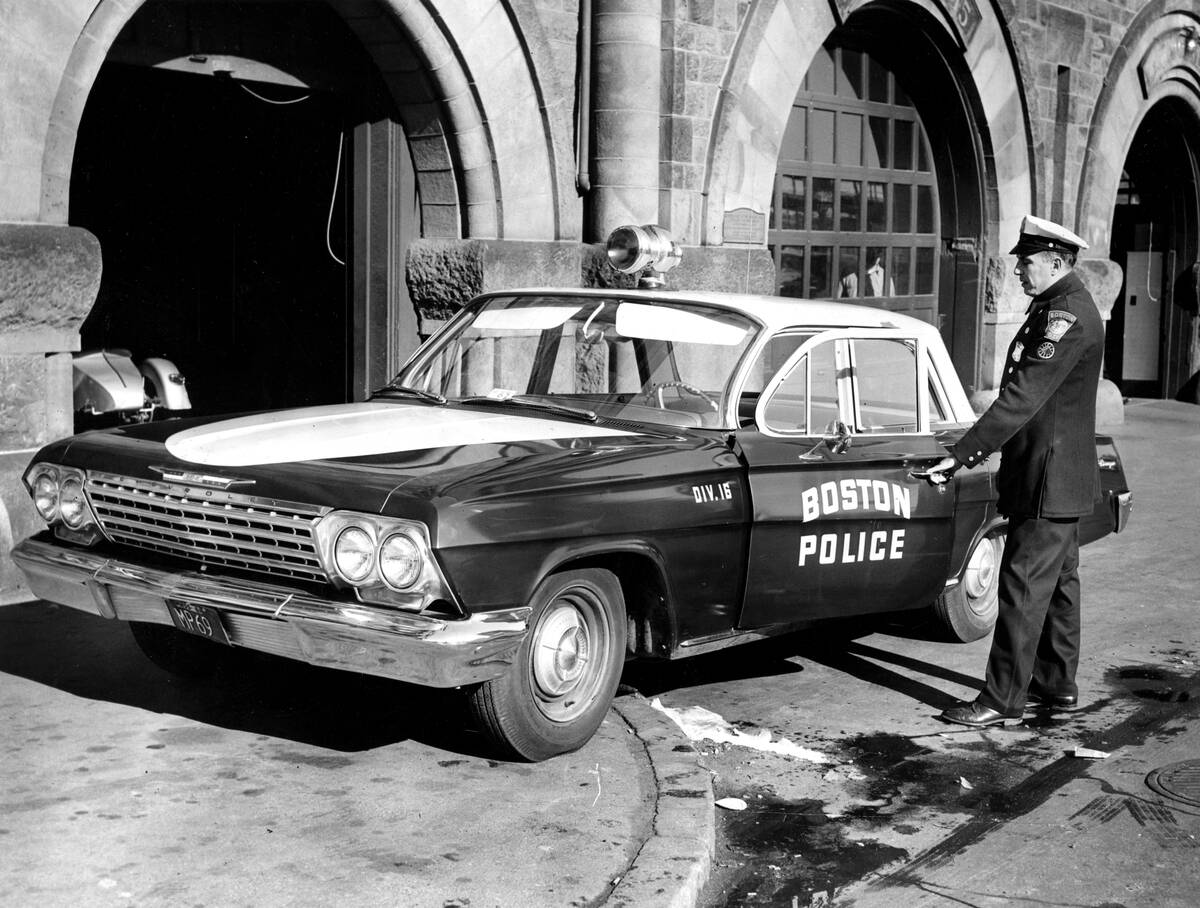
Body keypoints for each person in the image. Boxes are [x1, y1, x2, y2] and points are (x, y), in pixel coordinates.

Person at [926, 214, 1105, 727]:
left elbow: (1021, 396)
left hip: (1047, 478)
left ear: (1055, 262)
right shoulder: (1055, 307)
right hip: (1053, 474)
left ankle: (1001, 699)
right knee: (1060, 587)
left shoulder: (1065, 317)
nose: (1018, 272)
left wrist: (963, 453)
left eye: (1026, 263)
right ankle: (1057, 688)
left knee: (1023, 588)